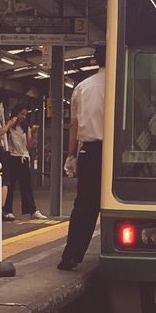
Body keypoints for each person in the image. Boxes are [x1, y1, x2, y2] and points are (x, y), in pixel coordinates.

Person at [58, 44, 106, 270]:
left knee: (85, 205)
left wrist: (71, 155)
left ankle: (71, 256)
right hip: (118, 154)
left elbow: (74, 125)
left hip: (90, 151)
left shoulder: (82, 87)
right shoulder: (125, 82)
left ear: (96, 60)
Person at [3, 105, 44, 221]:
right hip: (12, 157)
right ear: (16, 113)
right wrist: (11, 123)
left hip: (24, 158)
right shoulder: (9, 125)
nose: (23, 117)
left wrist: (34, 134)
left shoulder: (26, 128)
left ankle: (32, 210)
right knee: (10, 185)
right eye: (21, 114)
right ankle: (8, 210)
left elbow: (29, 145)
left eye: (25, 114)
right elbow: (4, 134)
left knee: (26, 186)